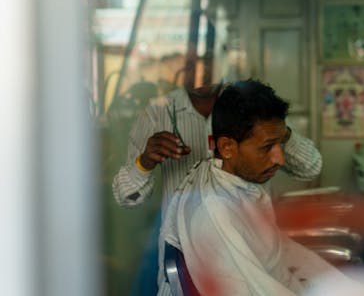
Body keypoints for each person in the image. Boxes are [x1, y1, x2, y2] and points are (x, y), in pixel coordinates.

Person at [113, 69, 323, 293]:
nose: (202, 70)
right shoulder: (157, 113)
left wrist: (274, 129)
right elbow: (126, 197)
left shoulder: (244, 105)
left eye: (209, 58)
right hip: (194, 256)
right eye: (195, 60)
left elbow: (311, 167)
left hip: (249, 238)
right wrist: (144, 162)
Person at [159, 79, 364, 295]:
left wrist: (281, 133)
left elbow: (311, 166)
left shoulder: (233, 175)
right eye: (267, 147)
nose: (280, 159)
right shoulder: (215, 212)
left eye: (280, 143)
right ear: (227, 147)